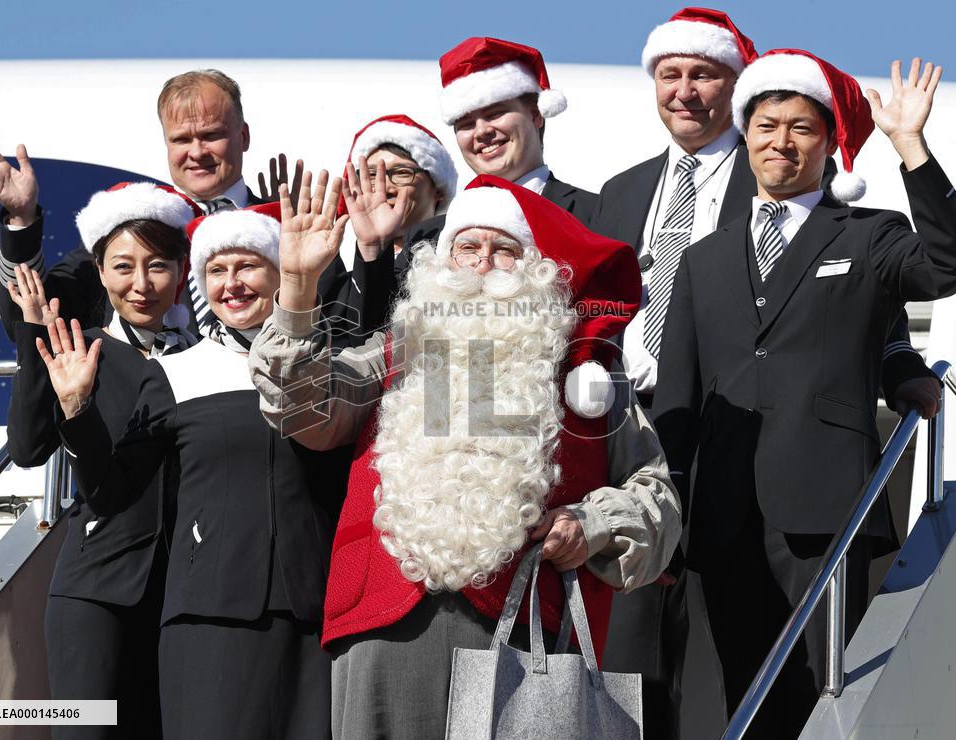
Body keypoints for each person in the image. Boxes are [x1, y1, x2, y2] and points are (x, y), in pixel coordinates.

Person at [589, 10, 942, 735]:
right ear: (745, 136)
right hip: (722, 518)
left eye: (801, 128)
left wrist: (912, 147)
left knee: (829, 706)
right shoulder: (704, 258)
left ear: (829, 146)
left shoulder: (870, 235)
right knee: (723, 710)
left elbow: (946, 266)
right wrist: (668, 523)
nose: (781, 142)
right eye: (766, 125)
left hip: (829, 512)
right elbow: (679, 399)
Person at [249, 174, 683, 738]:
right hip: (384, 628)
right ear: (443, 260)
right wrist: (301, 289)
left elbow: (658, 500)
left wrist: (592, 524)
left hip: (523, 636)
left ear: (537, 269)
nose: (481, 265)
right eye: (467, 247)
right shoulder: (392, 354)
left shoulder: (589, 379)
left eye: (503, 250)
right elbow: (303, 412)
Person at [43, 180, 347, 740]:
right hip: (209, 612)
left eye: (248, 266)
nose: (231, 284)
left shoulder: (330, 361)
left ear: (282, 272)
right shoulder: (178, 373)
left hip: (314, 608)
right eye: (216, 270)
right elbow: (112, 494)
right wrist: (77, 411)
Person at [7, 182, 198, 740]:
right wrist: (35, 347)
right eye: (122, 266)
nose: (141, 285)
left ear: (183, 271)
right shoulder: (76, 344)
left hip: (185, 594)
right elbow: (26, 449)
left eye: (158, 265)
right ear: (98, 269)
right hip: (95, 591)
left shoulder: (205, 354)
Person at [0, 69, 304, 339]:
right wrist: (21, 218)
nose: (197, 152)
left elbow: (332, 324)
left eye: (212, 135)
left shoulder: (285, 224)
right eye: (182, 139)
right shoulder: (131, 227)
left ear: (243, 136)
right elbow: (26, 318)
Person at [350, 37, 598, 338]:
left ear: (535, 113)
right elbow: (380, 345)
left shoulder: (594, 212)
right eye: (466, 123)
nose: (481, 132)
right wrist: (374, 247)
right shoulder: (429, 235)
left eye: (495, 113)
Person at [326, 114, 457, 342]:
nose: (384, 188)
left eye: (402, 173)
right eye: (372, 175)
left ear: (438, 189)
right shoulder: (352, 277)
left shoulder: (459, 257)